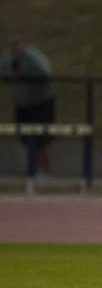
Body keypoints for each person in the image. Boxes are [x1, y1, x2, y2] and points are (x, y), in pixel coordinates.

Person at [2, 35, 55, 180]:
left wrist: (26, 71)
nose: (15, 50)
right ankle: (33, 172)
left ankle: (45, 173)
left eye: (18, 46)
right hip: (23, 106)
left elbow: (45, 71)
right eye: (12, 46)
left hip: (40, 104)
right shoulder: (7, 59)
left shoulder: (32, 57)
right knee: (28, 141)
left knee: (41, 141)